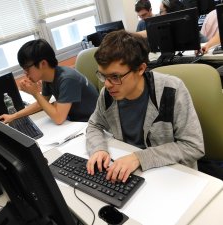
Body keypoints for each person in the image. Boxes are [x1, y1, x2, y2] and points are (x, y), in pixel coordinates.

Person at [86, 30, 205, 183]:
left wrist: (139, 158)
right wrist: (98, 149)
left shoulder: (171, 90)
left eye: (115, 76)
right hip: (131, 173)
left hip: (172, 176)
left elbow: (193, 146)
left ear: (141, 69)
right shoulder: (108, 95)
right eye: (103, 75)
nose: (107, 84)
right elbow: (94, 124)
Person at [0, 39, 99, 125]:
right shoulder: (49, 77)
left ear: (43, 64)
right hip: (75, 120)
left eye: (27, 68)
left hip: (91, 123)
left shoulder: (68, 79)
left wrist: (35, 93)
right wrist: (13, 116)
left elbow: (59, 118)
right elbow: (40, 104)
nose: (25, 73)